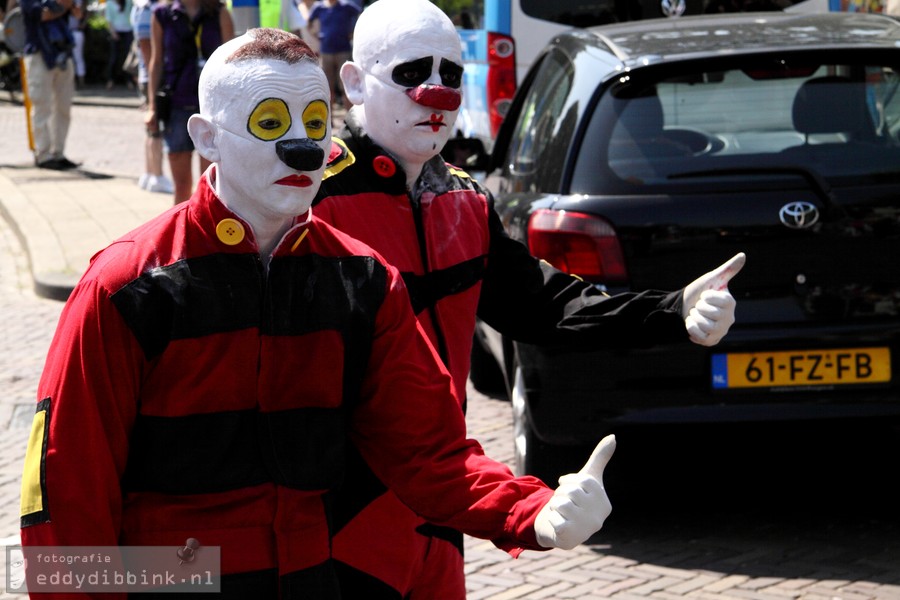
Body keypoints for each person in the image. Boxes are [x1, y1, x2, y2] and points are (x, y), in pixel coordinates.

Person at [19, 27, 619, 599]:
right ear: (206, 137)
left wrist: (531, 510)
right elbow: (66, 498)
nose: (305, 145)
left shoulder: (362, 280)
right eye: (270, 122)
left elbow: (427, 449)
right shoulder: (127, 287)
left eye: (315, 121)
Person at [311, 0, 745, 597]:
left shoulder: (464, 201)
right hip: (338, 506)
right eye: (412, 73)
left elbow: (541, 303)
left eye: (452, 75)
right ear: (357, 83)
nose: (435, 94)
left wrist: (672, 310)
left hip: (444, 499)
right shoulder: (311, 204)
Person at [146, 0, 234, 204]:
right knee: (182, 186)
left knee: (212, 184)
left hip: (212, 107)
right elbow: (156, 61)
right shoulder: (162, 15)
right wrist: (151, 107)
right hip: (176, 103)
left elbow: (231, 62)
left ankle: (210, 232)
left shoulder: (218, 12)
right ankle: (182, 232)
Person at [19, 0, 80, 169]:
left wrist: (63, 7)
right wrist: (64, 6)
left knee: (63, 106)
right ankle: (43, 155)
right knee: (42, 106)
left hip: (62, 53)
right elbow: (42, 15)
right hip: (39, 54)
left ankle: (58, 152)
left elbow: (76, 13)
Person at [130, 0, 173, 193]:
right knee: (156, 126)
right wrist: (155, 81)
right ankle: (156, 174)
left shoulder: (141, 7)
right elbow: (148, 49)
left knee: (151, 128)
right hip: (150, 77)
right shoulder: (148, 9)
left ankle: (150, 174)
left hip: (146, 76)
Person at [306, 0, 359, 109]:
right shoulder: (319, 7)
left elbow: (361, 14)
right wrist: (316, 34)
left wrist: (354, 32)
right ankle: (329, 120)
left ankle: (350, 118)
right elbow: (309, 22)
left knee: (346, 86)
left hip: (343, 51)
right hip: (326, 53)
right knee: (327, 87)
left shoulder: (346, 6)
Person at [104, 0, 134, 89]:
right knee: (114, 57)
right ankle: (111, 80)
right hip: (115, 31)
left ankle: (129, 80)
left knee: (128, 57)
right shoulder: (109, 3)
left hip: (128, 30)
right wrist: (113, 33)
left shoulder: (128, 2)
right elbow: (109, 20)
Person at [67, 0, 84, 88]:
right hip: (64, 33)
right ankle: (72, 82)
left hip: (75, 32)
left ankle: (80, 82)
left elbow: (79, 14)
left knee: (77, 58)